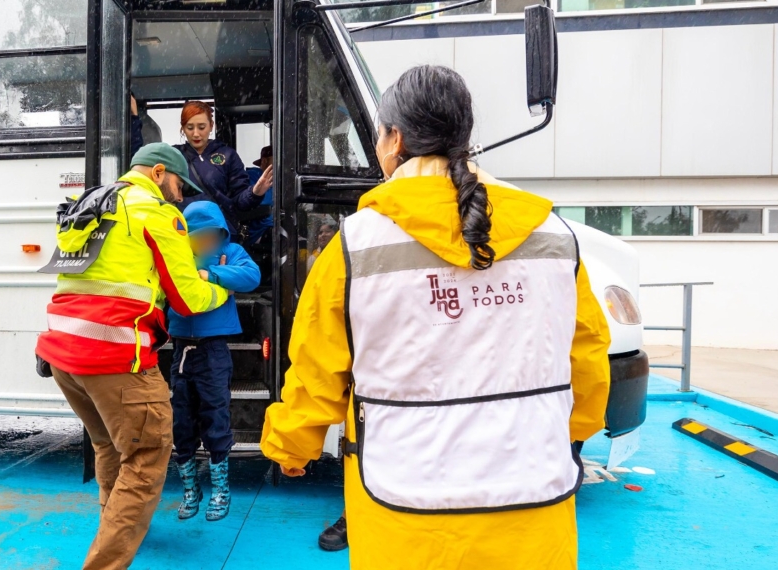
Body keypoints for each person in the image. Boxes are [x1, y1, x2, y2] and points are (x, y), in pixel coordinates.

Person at [259, 65, 611, 569]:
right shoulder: (553, 236)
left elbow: (317, 370)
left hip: (404, 510)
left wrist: (290, 447)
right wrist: (570, 429)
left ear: (394, 140)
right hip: (531, 504)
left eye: (379, 136)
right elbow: (587, 359)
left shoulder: (355, 246)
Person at [36, 143, 230, 570]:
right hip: (117, 359)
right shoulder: (157, 213)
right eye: (179, 184)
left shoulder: (91, 202)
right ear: (159, 172)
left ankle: (115, 527)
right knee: (145, 460)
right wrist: (222, 288)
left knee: (108, 445)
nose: (180, 196)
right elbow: (189, 298)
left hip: (63, 354)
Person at [168, 201, 262, 522]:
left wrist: (213, 273)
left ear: (221, 233)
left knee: (215, 415)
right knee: (181, 420)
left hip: (213, 351)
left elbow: (252, 276)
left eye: (211, 235)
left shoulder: (232, 251)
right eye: (197, 237)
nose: (205, 242)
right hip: (181, 350)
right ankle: (191, 491)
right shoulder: (178, 255)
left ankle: (221, 490)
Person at [175, 101, 274, 237]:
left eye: (202, 127)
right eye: (190, 128)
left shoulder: (228, 155)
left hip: (220, 234)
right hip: (183, 234)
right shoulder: (173, 155)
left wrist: (255, 192)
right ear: (182, 129)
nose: (196, 134)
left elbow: (240, 202)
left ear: (211, 126)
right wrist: (134, 118)